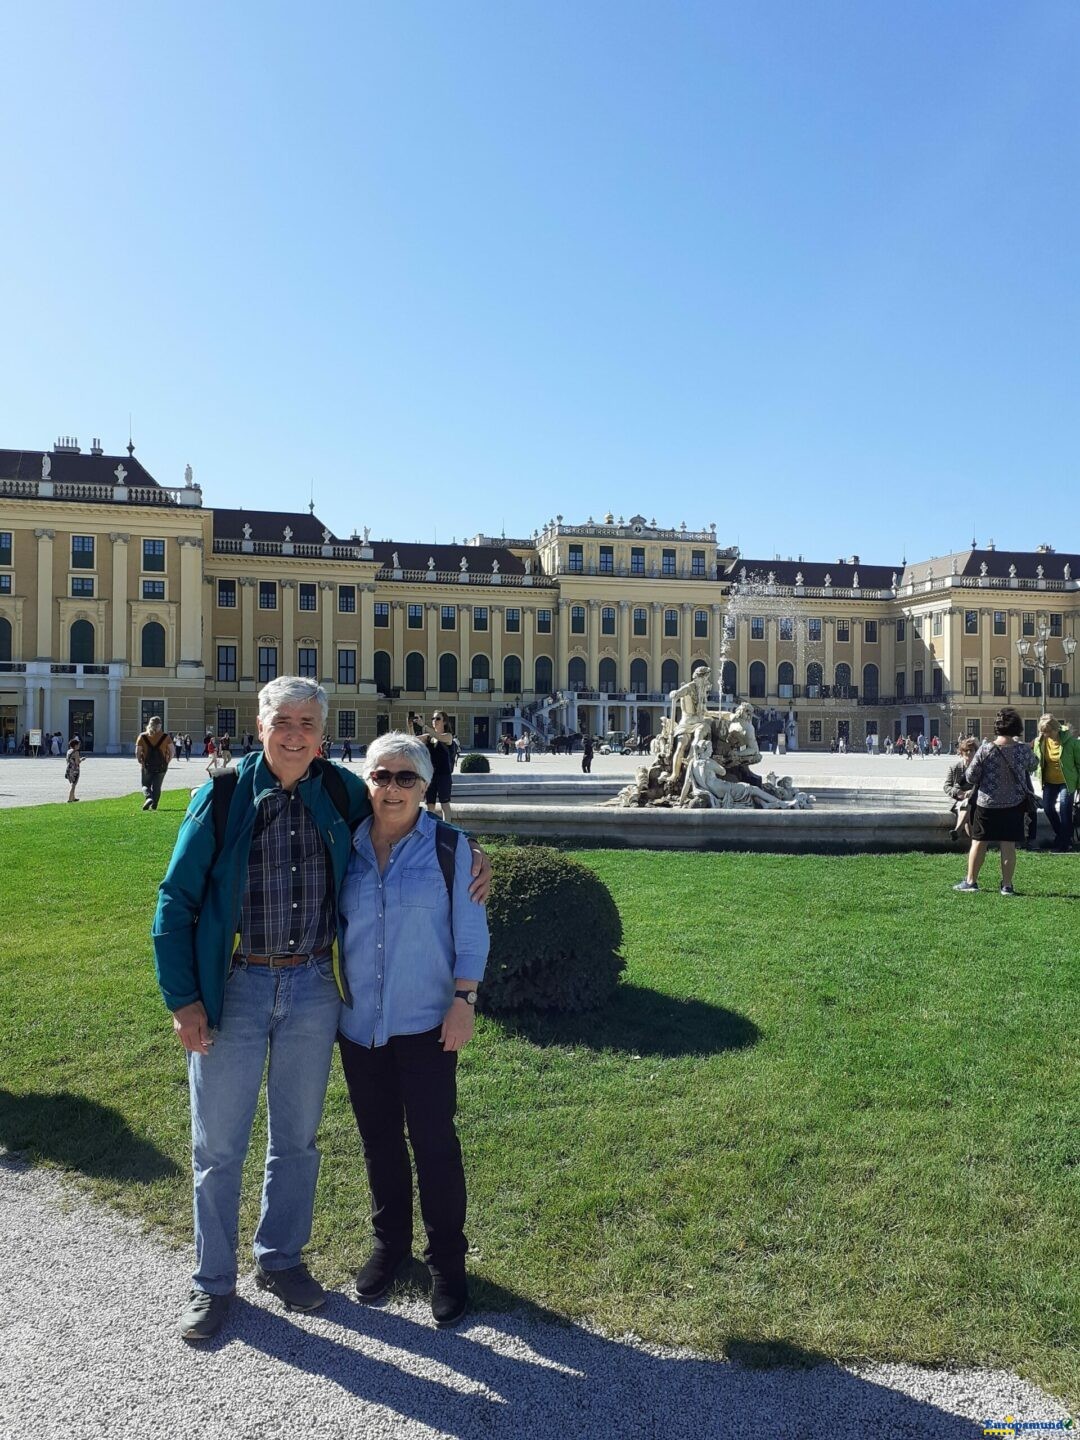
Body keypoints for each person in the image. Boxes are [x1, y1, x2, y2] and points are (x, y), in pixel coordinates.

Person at [152, 676, 491, 1342]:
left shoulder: (335, 791)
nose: (296, 734)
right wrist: (184, 999)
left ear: (323, 734)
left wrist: (475, 851)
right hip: (238, 985)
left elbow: (410, 816)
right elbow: (173, 904)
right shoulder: (220, 798)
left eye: (309, 723)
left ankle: (280, 1259)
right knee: (219, 1147)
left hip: (311, 987)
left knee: (297, 1140)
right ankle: (212, 1283)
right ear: (260, 726)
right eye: (284, 721)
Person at [338, 733, 489, 1328]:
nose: (392, 788)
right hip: (358, 1024)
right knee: (378, 1141)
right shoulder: (344, 846)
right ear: (367, 782)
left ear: (426, 787)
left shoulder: (453, 850)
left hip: (427, 1020)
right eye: (381, 776)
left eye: (406, 778)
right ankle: (390, 1244)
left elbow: (472, 934)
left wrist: (464, 1000)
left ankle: (448, 1264)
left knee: (433, 1143)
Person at [953, 707, 1037, 895]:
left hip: (987, 804)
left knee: (979, 842)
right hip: (1014, 804)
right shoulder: (1022, 750)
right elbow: (1034, 764)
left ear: (996, 727)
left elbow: (972, 776)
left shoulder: (985, 749)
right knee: (1008, 845)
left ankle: (971, 882)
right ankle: (1007, 886)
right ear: (1017, 727)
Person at [1032, 713, 1079, 852]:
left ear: (1055, 729)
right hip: (1049, 781)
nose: (1044, 734)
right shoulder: (1040, 741)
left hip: (1067, 781)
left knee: (1065, 809)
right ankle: (1063, 835)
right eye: (1042, 731)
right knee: (1047, 807)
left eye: (1046, 731)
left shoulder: (1071, 742)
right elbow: (1037, 761)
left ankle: (1064, 844)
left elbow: (1079, 763)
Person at [420, 711, 455, 823]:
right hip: (430, 776)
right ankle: (429, 828)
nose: (434, 721)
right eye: (433, 719)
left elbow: (439, 737)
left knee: (445, 804)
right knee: (430, 805)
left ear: (444, 721)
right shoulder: (428, 737)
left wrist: (424, 726)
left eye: (438, 719)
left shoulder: (448, 736)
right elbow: (413, 740)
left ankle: (448, 828)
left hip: (444, 776)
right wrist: (411, 726)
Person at [136, 715, 175, 811]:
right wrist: (167, 761)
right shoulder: (166, 737)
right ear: (160, 725)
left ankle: (148, 797)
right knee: (157, 786)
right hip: (162, 765)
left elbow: (137, 751)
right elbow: (172, 751)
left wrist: (140, 760)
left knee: (145, 785)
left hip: (147, 765)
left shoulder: (142, 736)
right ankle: (154, 805)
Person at [944, 736, 979, 840]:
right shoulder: (955, 768)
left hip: (974, 801)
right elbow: (946, 786)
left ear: (975, 752)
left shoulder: (979, 768)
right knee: (967, 807)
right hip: (958, 801)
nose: (968, 753)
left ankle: (957, 831)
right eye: (966, 750)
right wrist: (958, 792)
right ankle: (976, 845)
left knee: (968, 805)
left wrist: (971, 792)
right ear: (961, 752)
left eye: (971, 750)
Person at [64, 737, 81, 802]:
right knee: (74, 785)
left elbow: (67, 760)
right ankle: (70, 799)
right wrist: (81, 759)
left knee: (72, 783)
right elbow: (77, 762)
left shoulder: (69, 751)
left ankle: (73, 797)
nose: (79, 746)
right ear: (75, 745)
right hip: (75, 770)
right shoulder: (76, 752)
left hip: (69, 769)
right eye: (78, 745)